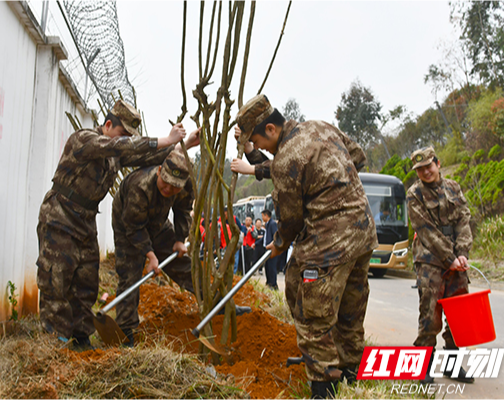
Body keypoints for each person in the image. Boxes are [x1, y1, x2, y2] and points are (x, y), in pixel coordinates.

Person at [233, 94, 378, 399]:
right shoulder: (322, 127)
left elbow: (291, 219)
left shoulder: (286, 158)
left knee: (312, 314)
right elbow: (358, 157)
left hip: (329, 242)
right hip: (363, 232)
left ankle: (323, 387)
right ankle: (351, 371)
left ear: (271, 129)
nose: (258, 148)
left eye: (258, 142)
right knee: (350, 308)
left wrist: (279, 243)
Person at [36, 99, 199, 350]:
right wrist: (166, 139)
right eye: (124, 134)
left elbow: (147, 155)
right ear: (108, 124)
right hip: (61, 216)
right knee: (56, 279)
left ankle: (81, 338)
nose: (126, 141)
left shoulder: (115, 157)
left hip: (85, 221)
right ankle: (53, 343)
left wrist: (183, 145)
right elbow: (121, 146)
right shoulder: (84, 140)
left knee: (86, 282)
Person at [112, 149, 197, 347]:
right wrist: (150, 256)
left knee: (182, 263)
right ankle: (126, 330)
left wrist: (179, 238)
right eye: (165, 183)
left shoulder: (186, 183)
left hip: (158, 222)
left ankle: (217, 303)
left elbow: (183, 209)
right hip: (128, 227)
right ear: (159, 171)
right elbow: (134, 228)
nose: (168, 189)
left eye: (174, 187)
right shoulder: (139, 186)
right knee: (130, 274)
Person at [407, 147, 474, 385]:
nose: (425, 172)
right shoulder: (414, 194)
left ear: (438, 163)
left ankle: (452, 365)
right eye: (420, 169)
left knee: (459, 314)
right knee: (430, 315)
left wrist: (463, 252)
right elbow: (425, 230)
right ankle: (422, 367)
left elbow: (464, 219)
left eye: (428, 166)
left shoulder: (454, 188)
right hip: (430, 259)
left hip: (457, 259)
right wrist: (449, 257)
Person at [261, 209, 279, 290]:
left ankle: (273, 284)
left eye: (262, 216)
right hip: (266, 249)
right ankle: (269, 282)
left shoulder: (272, 224)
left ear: (266, 216)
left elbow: (275, 236)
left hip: (271, 249)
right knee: (267, 266)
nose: (262, 218)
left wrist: (272, 246)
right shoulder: (267, 224)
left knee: (272, 267)